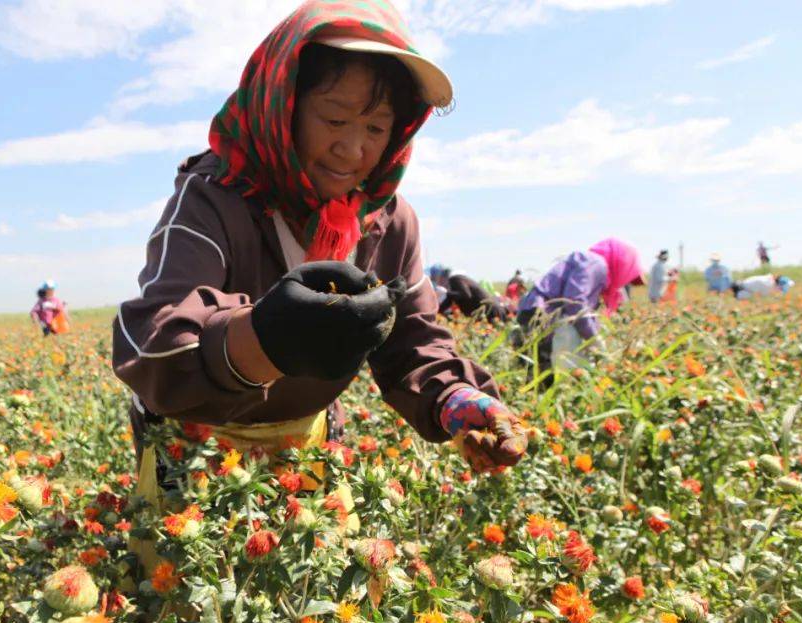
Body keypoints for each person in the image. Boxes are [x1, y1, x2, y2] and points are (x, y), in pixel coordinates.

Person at [111, 0, 528, 571]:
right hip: (195, 444)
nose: (354, 149)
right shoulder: (216, 196)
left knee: (309, 616)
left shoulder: (387, 220)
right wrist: (261, 337)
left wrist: (457, 399)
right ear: (281, 106)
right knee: (191, 614)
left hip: (305, 443)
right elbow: (152, 342)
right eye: (334, 119)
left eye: (377, 128)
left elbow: (412, 339)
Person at [515, 238, 644, 388]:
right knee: (543, 379)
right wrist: (593, 338)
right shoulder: (597, 263)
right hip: (541, 316)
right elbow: (574, 301)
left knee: (536, 377)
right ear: (623, 263)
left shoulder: (594, 265)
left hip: (536, 313)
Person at [428, 264, 510, 322]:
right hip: (486, 315)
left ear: (442, 277)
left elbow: (465, 295)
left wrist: (448, 293)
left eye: (437, 279)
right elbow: (448, 301)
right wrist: (435, 315)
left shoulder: (455, 279)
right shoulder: (454, 286)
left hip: (492, 314)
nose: (438, 283)